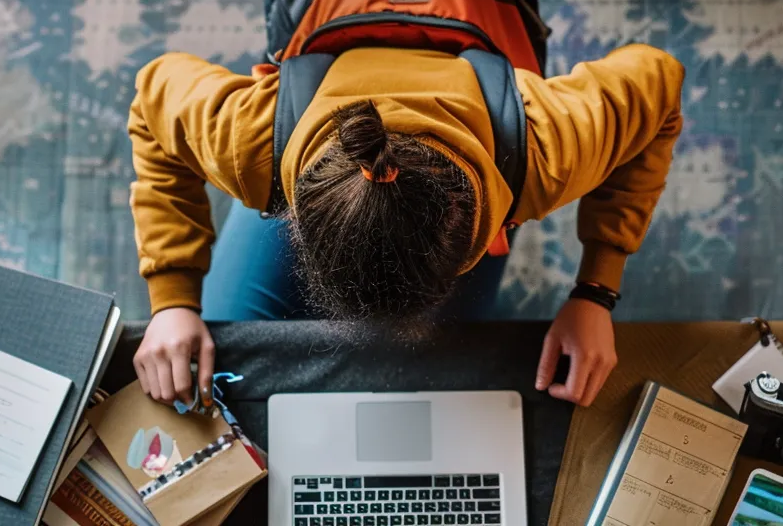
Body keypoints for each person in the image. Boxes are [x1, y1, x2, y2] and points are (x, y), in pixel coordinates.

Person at [128, 43, 685, 408]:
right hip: (301, 120)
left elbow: (661, 86)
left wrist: (596, 290)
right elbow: (151, 99)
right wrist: (172, 300)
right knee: (230, 351)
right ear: (293, 221)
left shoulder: (550, 150)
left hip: (488, 132)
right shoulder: (247, 141)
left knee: (453, 364)